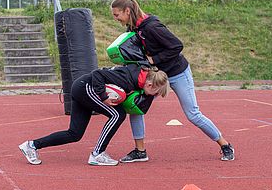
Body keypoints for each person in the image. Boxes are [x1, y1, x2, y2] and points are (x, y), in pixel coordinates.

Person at [110, 0, 235, 163]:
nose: (115, 18)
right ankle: (140, 151)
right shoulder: (133, 29)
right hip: (156, 76)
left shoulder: (152, 27)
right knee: (135, 106)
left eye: (117, 15)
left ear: (127, 11)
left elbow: (177, 46)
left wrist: (154, 59)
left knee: (193, 114)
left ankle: (225, 145)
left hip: (177, 72)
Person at [19, 64, 169, 166]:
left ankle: (31, 145)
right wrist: (104, 97)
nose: (153, 97)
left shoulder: (140, 79)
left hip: (82, 87)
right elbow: (98, 74)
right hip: (85, 87)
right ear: (150, 85)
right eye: (155, 94)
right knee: (118, 115)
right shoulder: (128, 79)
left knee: (74, 134)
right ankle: (98, 153)